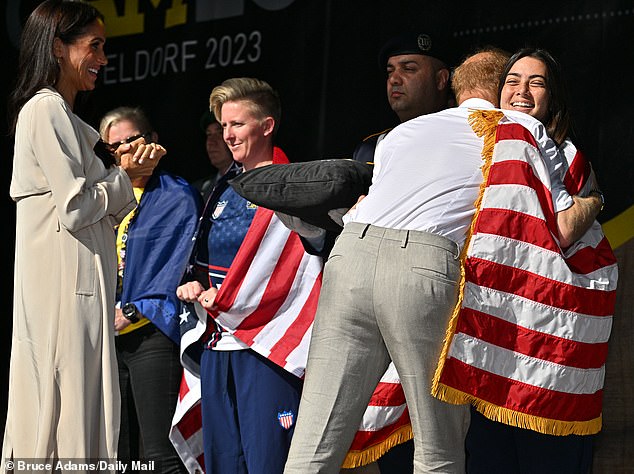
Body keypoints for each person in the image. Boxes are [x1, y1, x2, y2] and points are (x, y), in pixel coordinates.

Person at [283, 48, 599, 474]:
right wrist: (594, 199)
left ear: (457, 87)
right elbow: (561, 226)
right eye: (512, 82)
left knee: (314, 444)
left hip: (350, 257)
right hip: (423, 265)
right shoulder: (519, 127)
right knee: (438, 448)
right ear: (498, 89)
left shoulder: (400, 133)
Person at [3, 0, 164, 466]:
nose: (103, 58)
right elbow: (76, 208)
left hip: (81, 285)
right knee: (65, 406)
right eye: (93, 46)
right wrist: (126, 178)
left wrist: (124, 179)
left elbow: (94, 212)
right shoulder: (45, 109)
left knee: (81, 405)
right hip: (62, 289)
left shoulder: (67, 119)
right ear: (58, 48)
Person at [464, 47, 605, 474]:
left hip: (544, 347)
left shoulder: (566, 156)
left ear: (552, 98)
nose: (521, 90)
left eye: (536, 82)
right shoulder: (474, 149)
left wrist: (594, 199)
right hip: (486, 340)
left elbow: (563, 232)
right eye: (512, 80)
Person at [176, 78, 320, 474]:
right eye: (224, 126)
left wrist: (231, 299)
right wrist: (196, 284)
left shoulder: (297, 186)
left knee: (270, 462)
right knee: (224, 464)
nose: (227, 135)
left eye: (237, 124)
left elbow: (302, 277)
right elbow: (204, 263)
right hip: (218, 346)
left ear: (267, 125)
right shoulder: (221, 188)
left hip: (269, 351)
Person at [99, 106, 201, 472]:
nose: (126, 151)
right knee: (113, 451)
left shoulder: (176, 195)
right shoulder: (105, 197)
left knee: (159, 454)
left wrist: (131, 311)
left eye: (132, 140)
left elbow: (176, 267)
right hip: (105, 339)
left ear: (153, 141)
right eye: (115, 148)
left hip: (151, 335)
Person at [353, 31, 453, 166]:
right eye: (390, 71)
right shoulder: (371, 150)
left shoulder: (469, 137)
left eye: (408, 69)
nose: (394, 79)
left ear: (441, 79)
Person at [192, 110, 235, 202]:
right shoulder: (199, 189)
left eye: (219, 133)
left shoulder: (248, 184)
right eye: (209, 134)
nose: (212, 142)